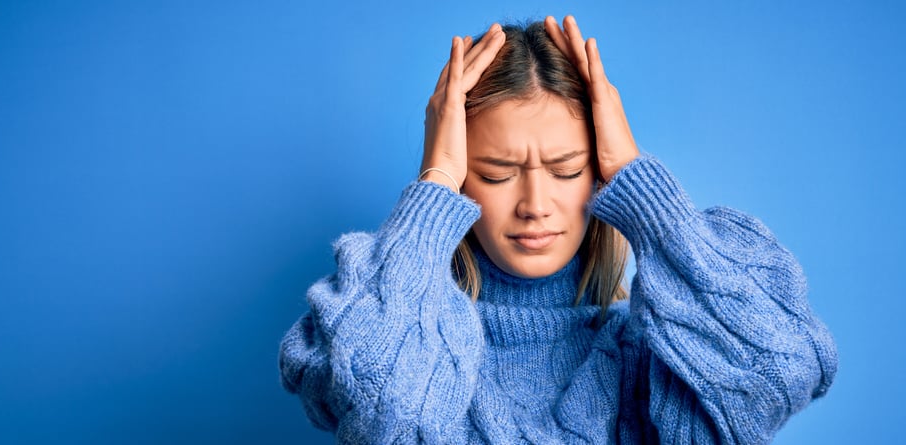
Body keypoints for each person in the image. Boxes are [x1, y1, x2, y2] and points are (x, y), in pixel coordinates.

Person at [278, 15, 838, 444]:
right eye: (496, 175)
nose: (535, 205)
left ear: (596, 176)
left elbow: (781, 372)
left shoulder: (650, 356)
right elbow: (385, 414)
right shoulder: (399, 335)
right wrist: (435, 182)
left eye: (567, 170)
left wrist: (642, 191)